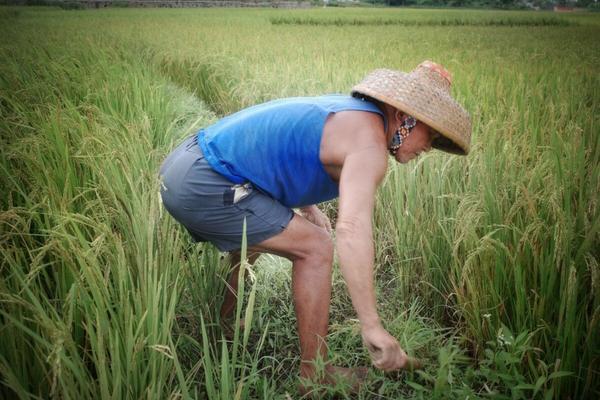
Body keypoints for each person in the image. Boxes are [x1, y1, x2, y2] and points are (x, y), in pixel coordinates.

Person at [159, 60, 471, 392]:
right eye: (430, 133)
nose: (429, 145)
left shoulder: (352, 113)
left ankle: (225, 323)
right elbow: (351, 229)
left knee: (270, 229)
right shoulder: (370, 147)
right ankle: (315, 374)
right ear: (405, 117)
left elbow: (287, 147)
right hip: (205, 181)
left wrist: (308, 206)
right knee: (316, 246)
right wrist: (372, 326)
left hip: (186, 163)